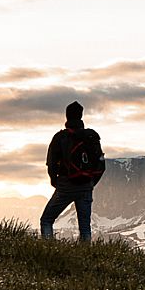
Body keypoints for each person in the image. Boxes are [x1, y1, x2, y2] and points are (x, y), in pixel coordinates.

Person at [40, 100, 105, 241]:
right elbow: (101, 165)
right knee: (85, 228)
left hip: (65, 185)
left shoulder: (60, 137)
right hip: (86, 186)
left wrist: (55, 181)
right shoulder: (91, 137)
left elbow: (51, 164)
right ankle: (86, 258)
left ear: (67, 117)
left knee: (46, 220)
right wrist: (91, 182)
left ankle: (47, 250)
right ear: (81, 116)